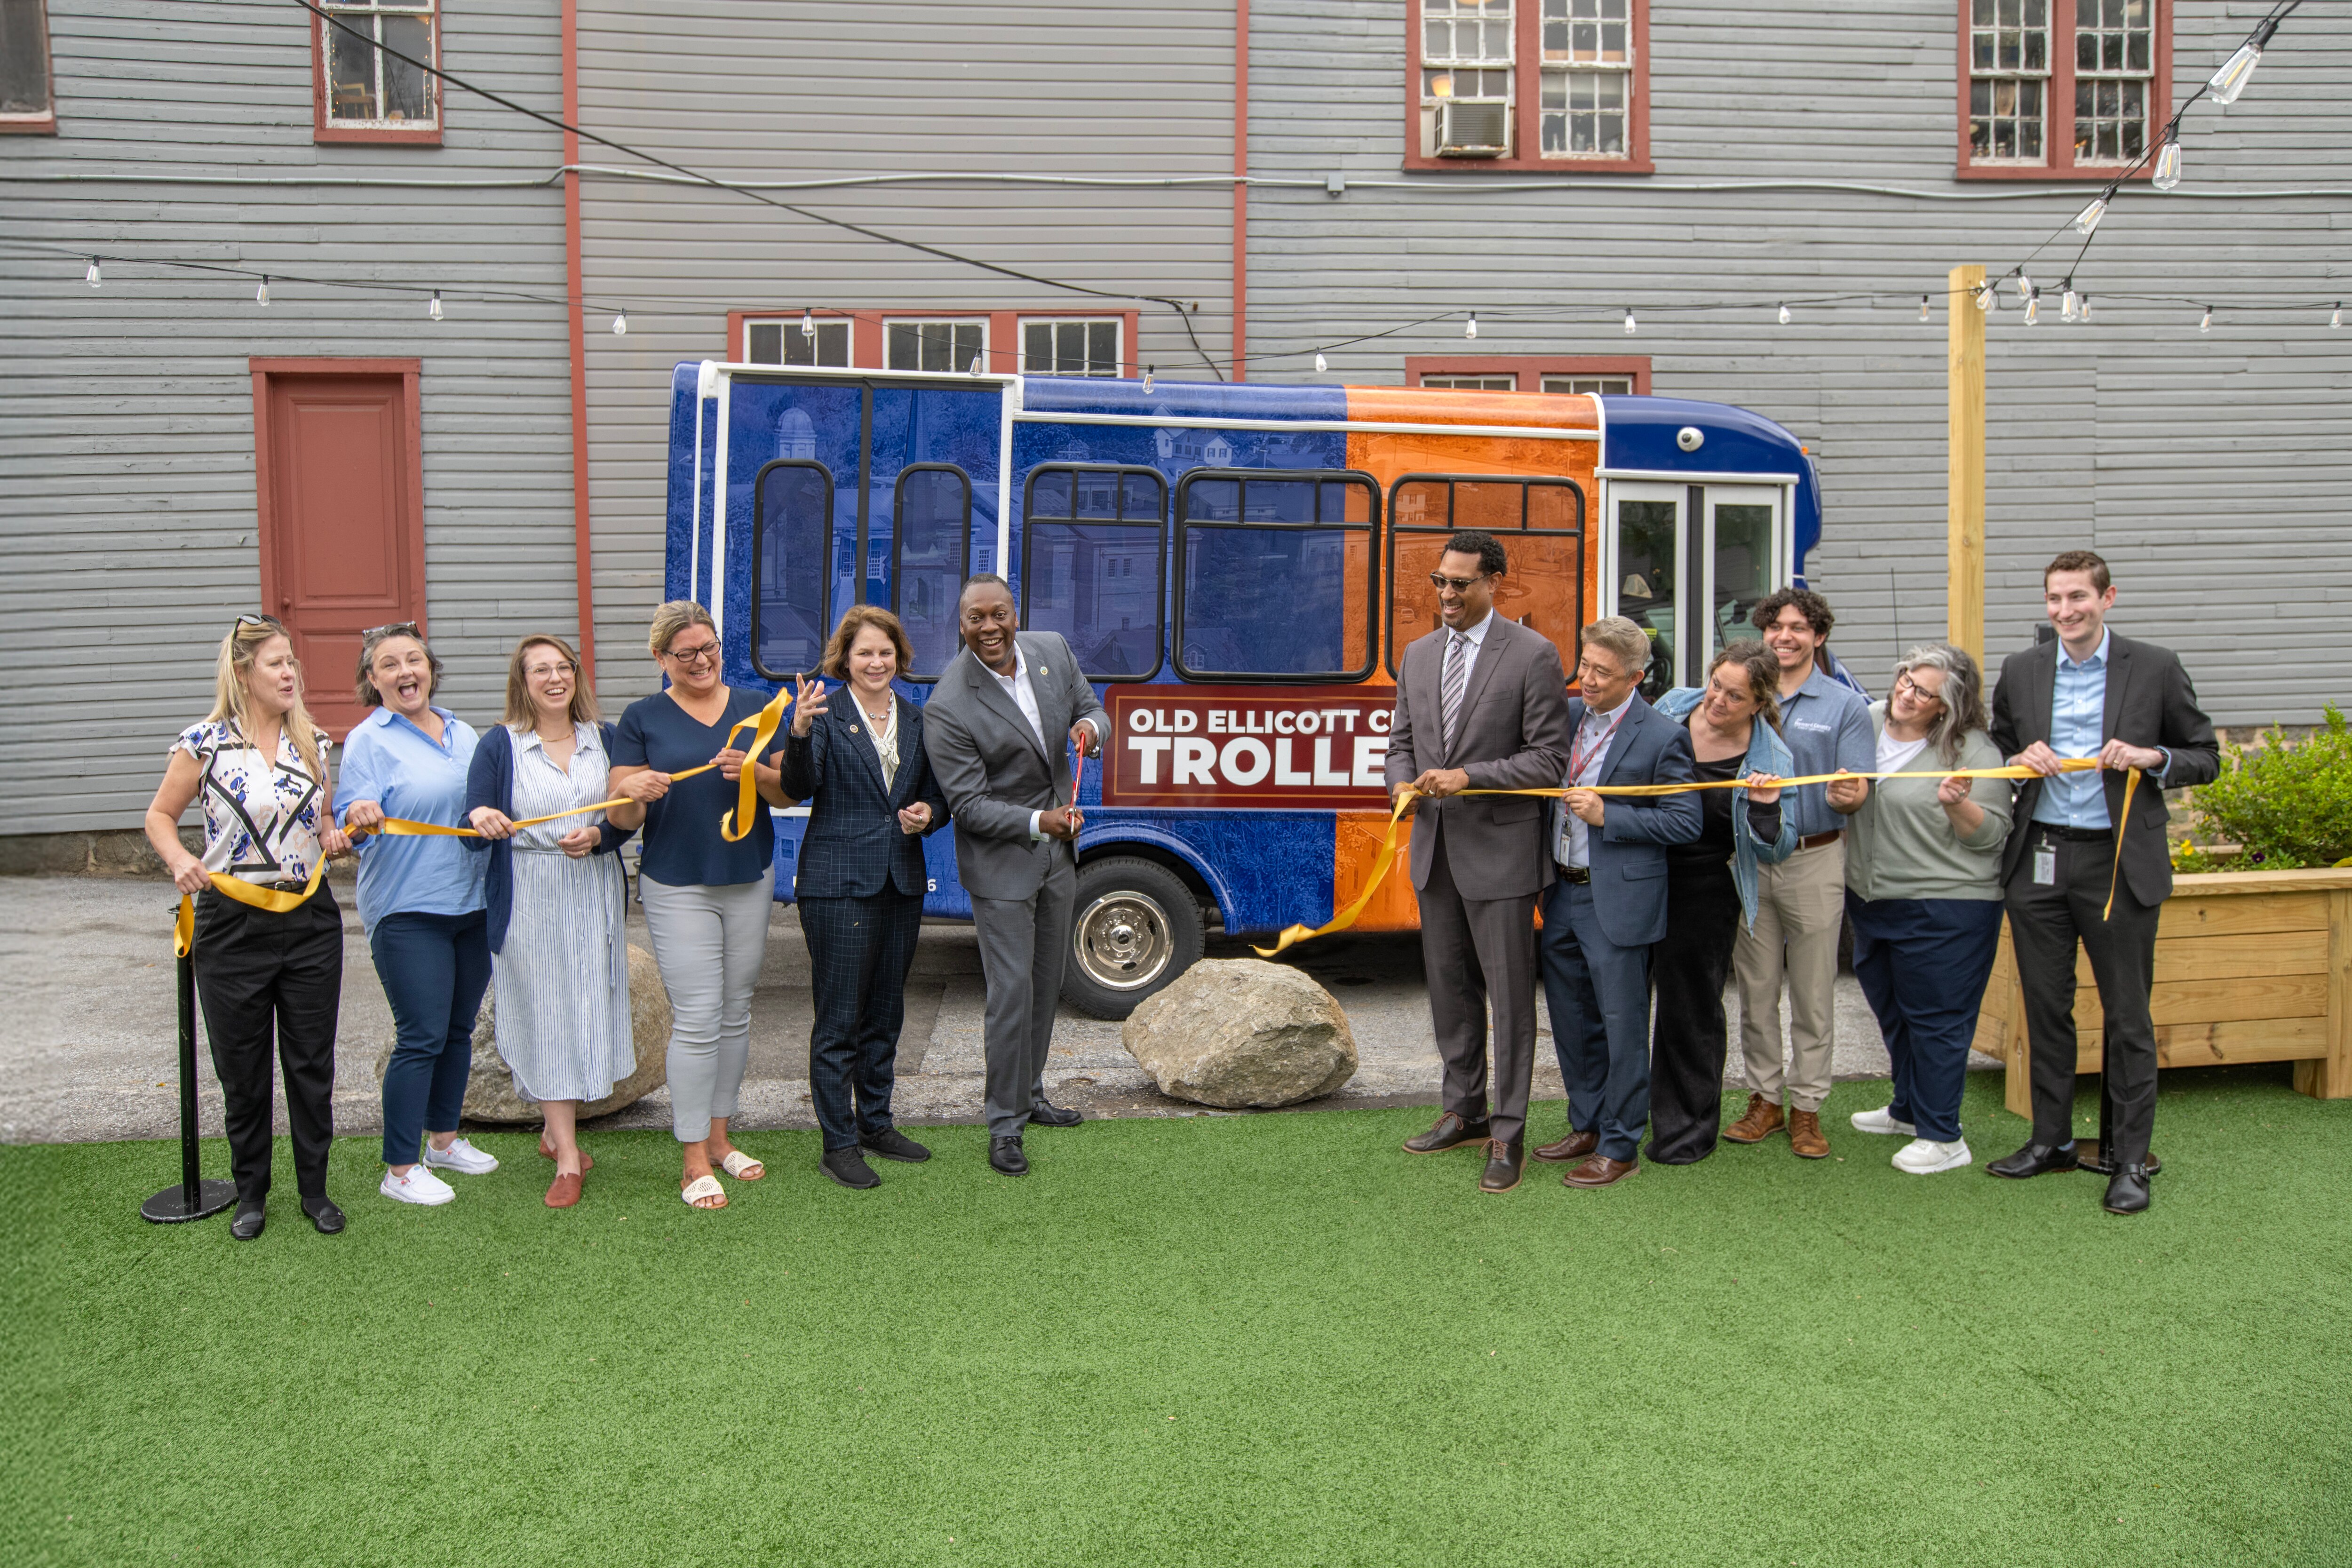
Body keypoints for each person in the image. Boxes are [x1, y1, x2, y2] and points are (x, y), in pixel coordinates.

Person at [1986, 551, 2217, 1215]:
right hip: (2041, 859)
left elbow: (2207, 756)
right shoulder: (2021, 669)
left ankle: (2128, 1160)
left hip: (2119, 865)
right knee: (2046, 1008)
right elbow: (2000, 744)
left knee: (2127, 1016)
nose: (2065, 611)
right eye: (2055, 599)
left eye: (2078, 598)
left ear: (2108, 598)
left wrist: (2153, 756)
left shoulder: (2155, 666)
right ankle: (2051, 1141)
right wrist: (2016, 758)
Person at [143, 614, 352, 1239]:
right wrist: (180, 859)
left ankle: (314, 1190)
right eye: (277, 663)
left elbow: (320, 826)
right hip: (230, 922)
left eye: (293, 663)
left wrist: (338, 837)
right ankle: (251, 1192)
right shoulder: (203, 743)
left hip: (309, 918)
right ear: (242, 673)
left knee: (311, 1063)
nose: (291, 673)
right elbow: (159, 815)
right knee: (245, 1066)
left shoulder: (314, 741)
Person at [1385, 530, 1572, 1194]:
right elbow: (1400, 743)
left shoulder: (1533, 654)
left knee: (1510, 1002)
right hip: (1435, 853)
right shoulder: (1417, 654)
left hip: (1502, 855)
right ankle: (1461, 1109)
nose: (1447, 595)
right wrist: (1403, 787)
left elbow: (1551, 759)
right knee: (1450, 995)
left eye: (1460, 583)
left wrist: (1471, 776)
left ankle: (1507, 1130)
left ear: (1495, 581)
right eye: (1440, 582)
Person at [608, 601, 794, 1212]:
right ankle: (691, 1157)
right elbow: (623, 816)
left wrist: (755, 774)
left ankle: (720, 1138)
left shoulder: (753, 707)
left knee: (736, 1011)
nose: (702, 660)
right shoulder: (642, 717)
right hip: (677, 881)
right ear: (661, 659)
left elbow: (787, 790)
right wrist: (630, 791)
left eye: (708, 646)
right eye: (685, 653)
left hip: (749, 874)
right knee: (697, 1014)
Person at [921, 574, 1106, 1178]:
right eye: (975, 618)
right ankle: (1003, 1125)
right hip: (1002, 862)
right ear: (961, 625)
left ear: (1014, 613)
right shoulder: (948, 702)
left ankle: (1030, 1095)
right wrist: (1039, 821)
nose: (989, 627)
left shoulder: (1051, 649)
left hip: (1058, 855)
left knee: (1047, 981)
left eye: (997, 614)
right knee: (1010, 995)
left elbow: (1090, 706)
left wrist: (1091, 731)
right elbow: (969, 806)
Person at [462, 635, 641, 1209]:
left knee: (586, 1007)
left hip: (591, 888)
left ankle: (552, 1131)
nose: (554, 677)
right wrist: (485, 815)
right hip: (528, 893)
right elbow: (475, 812)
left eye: (562, 666)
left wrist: (599, 834)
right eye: (540, 669)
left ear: (576, 675)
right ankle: (568, 1157)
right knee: (545, 1015)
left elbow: (623, 819)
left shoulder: (605, 739)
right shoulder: (501, 745)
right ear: (523, 681)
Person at [778, 606, 951, 1191]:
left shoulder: (917, 720)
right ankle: (839, 1143)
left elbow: (937, 798)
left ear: (899, 658)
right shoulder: (821, 716)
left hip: (900, 883)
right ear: (843, 660)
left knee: (885, 1013)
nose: (875, 662)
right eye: (863, 653)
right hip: (835, 886)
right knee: (840, 1020)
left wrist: (929, 815)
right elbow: (800, 788)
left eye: (885, 652)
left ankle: (876, 1123)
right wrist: (798, 732)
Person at [336, 622, 500, 1206]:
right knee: (422, 1035)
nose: (406, 672)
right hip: (407, 910)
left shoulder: (463, 732)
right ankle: (400, 1169)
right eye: (389, 665)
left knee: (458, 1031)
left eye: (414, 660)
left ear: (430, 669)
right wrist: (358, 812)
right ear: (372, 680)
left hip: (470, 904)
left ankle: (444, 1141)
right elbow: (350, 824)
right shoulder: (367, 740)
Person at [1536, 616, 1703, 1188]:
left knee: (1622, 1025)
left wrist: (1610, 816)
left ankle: (1619, 1142)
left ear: (1635, 677)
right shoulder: (1566, 717)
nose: (1587, 679)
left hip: (1618, 901)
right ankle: (1584, 1123)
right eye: (1584, 665)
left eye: (1602, 674)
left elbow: (1685, 820)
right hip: (1560, 891)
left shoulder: (1661, 736)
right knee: (1570, 1020)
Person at [1842, 645, 2014, 1175]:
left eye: (1922, 691)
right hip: (1872, 899)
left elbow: (1990, 838)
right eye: (1903, 680)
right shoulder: (1866, 721)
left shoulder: (1975, 751)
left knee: (1937, 1021)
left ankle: (1943, 1136)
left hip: (1947, 905)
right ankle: (1907, 1109)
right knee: (1893, 1014)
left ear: (1948, 706)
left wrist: (1956, 804)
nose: (1905, 694)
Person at [1725, 587, 1875, 1159]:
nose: (1783, 636)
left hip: (1815, 857)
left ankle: (1807, 1108)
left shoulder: (1844, 706)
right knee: (1756, 989)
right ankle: (1763, 1100)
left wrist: (1847, 796)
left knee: (1813, 992)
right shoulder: (1741, 696)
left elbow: (1858, 790)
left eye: (1797, 627)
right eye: (1774, 626)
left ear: (1818, 636)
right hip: (1749, 861)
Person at [1645, 643, 1796, 1165]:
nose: (1718, 701)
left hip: (1706, 886)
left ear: (1758, 703)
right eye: (1716, 685)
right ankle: (1616, 1117)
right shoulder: (1669, 707)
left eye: (1735, 696)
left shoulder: (1771, 756)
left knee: (1688, 1010)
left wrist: (1766, 809)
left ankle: (1684, 1131)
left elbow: (1776, 848)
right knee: (1620, 1000)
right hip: (1642, 869)